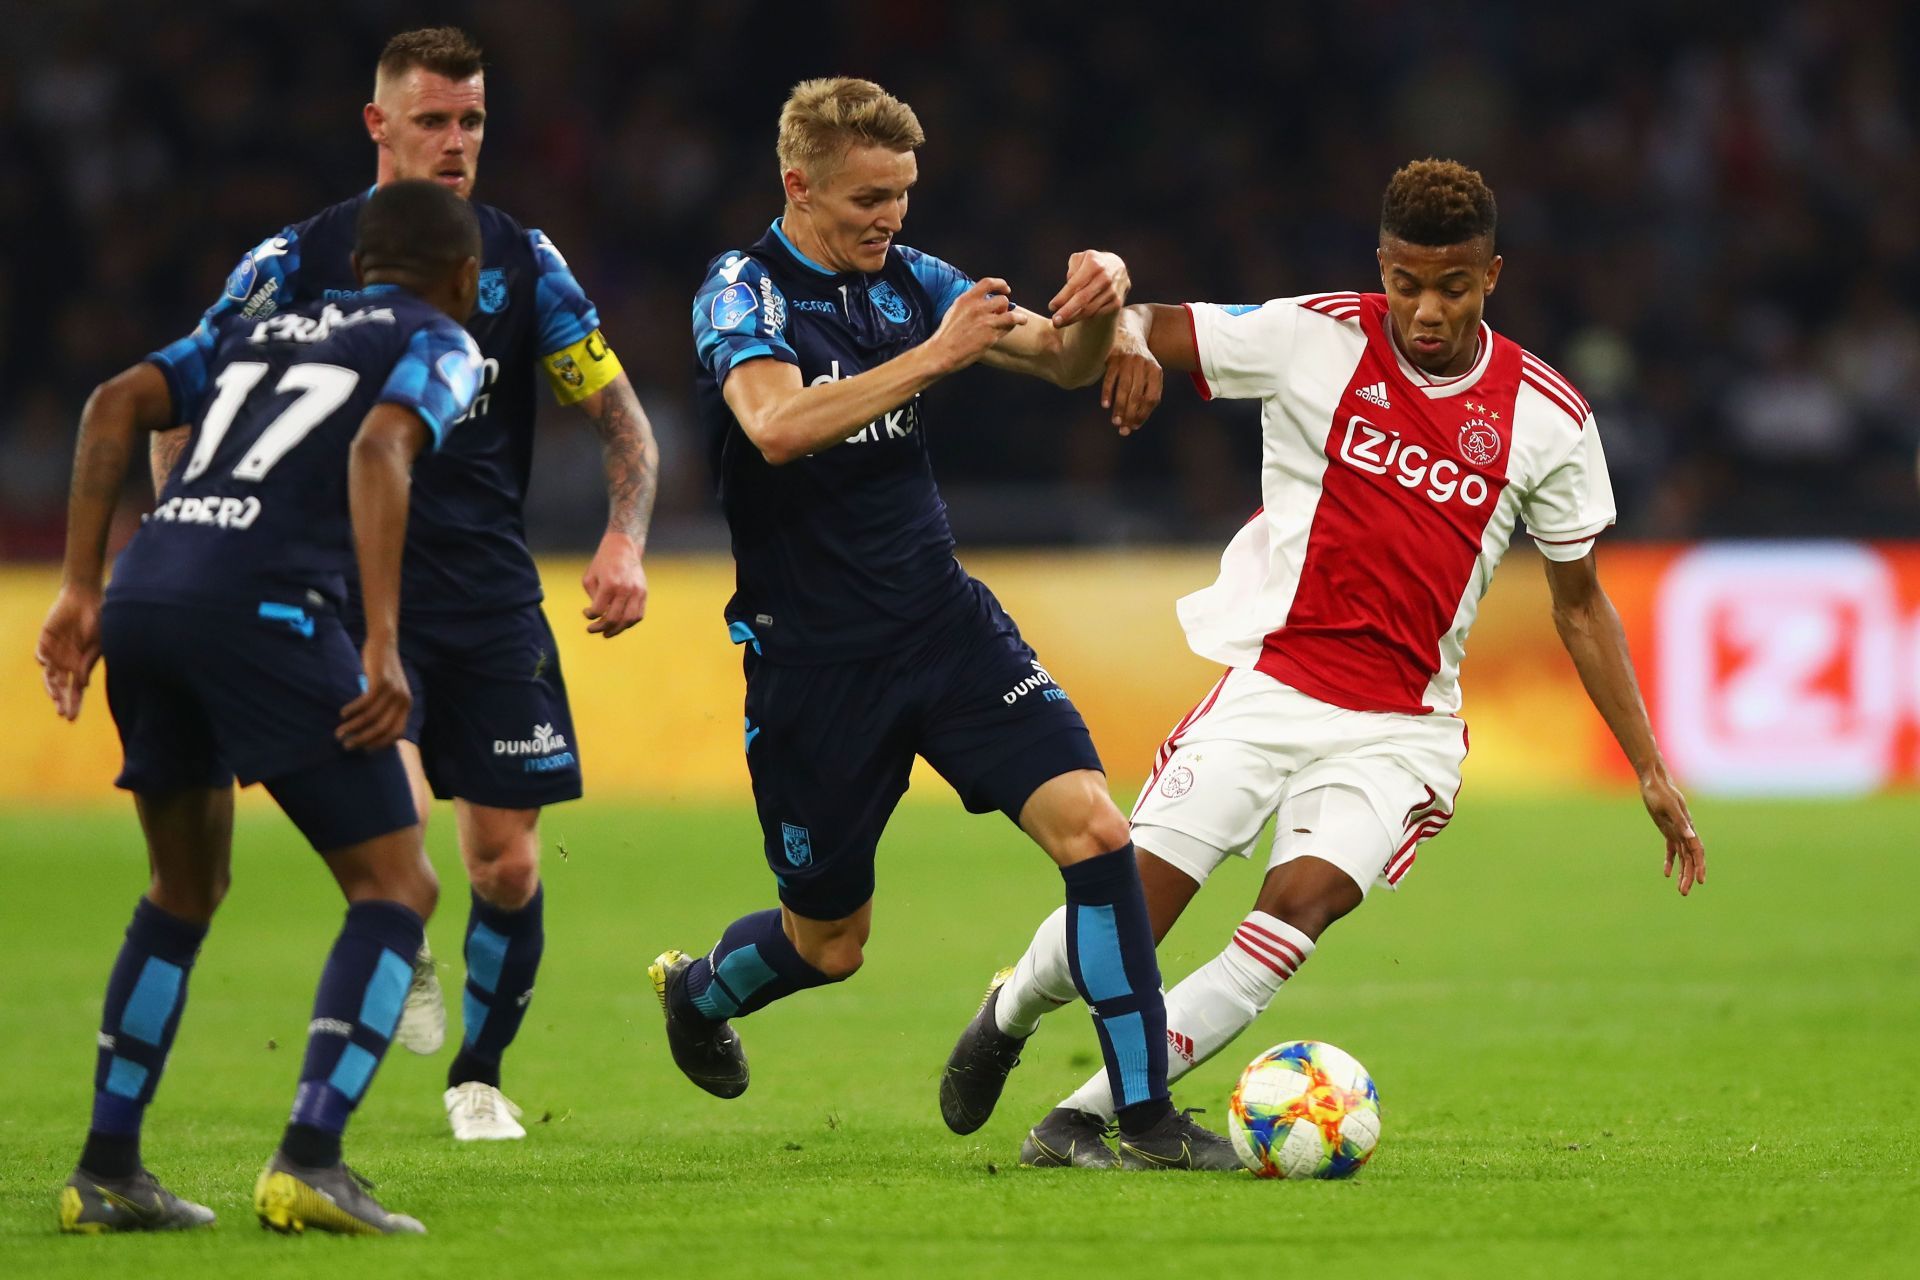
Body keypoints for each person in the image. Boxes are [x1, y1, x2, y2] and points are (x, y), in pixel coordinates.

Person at [940, 158, 1710, 1169]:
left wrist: (1650, 765)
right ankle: (1010, 1008)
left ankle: (1083, 1117)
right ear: (1381, 266)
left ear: (1494, 276)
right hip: (1269, 690)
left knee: (1299, 906)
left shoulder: (1549, 418)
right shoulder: (1312, 336)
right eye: (1406, 281)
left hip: (1400, 727)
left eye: (1453, 286)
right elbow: (1151, 323)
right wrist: (1122, 320)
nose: (1426, 309)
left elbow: (1580, 605)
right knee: (1132, 912)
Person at [655, 76, 1230, 1169]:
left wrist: (1102, 296)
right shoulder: (743, 291)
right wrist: (931, 357)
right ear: (800, 185)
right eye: (870, 195)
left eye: (905, 193)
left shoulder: (916, 281)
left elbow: (1064, 359)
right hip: (815, 662)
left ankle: (1145, 1116)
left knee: (1100, 833)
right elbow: (775, 425)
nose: (893, 217)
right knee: (830, 944)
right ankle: (698, 993)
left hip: (943, 624)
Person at [149, 27, 661, 1141]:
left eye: (472, 120)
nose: (456, 141)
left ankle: (478, 1072)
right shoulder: (296, 260)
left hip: (488, 597)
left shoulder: (523, 262)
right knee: (407, 817)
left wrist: (624, 538)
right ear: (377, 125)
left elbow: (622, 419)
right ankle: (401, 929)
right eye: (432, 119)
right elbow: (173, 403)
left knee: (510, 862)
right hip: (341, 593)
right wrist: (179, 533)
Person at [37, 180, 486, 1234]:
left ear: (360, 266)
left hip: (147, 593)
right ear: (464, 279)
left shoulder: (259, 328)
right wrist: (381, 644)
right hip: (268, 608)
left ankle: (108, 1168)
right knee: (398, 882)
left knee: (183, 884)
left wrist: (79, 586)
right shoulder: (439, 339)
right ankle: (312, 1159)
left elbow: (113, 401)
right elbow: (380, 448)